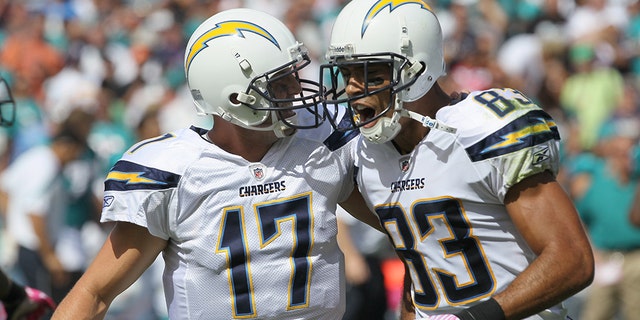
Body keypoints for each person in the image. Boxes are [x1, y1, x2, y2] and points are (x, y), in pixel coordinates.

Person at [52, 8, 378, 319]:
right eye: (278, 84)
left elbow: (404, 229)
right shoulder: (174, 173)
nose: (296, 90)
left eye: (292, 75)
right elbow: (94, 294)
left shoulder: (322, 141)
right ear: (235, 99)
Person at [320, 0, 594, 319]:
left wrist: (475, 318)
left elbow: (572, 260)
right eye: (347, 72)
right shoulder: (366, 155)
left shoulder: (481, 130)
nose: (352, 87)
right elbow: (423, 261)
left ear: (415, 70)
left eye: (370, 72)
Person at [569, 118, 640, 320]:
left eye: (629, 150)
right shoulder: (593, 179)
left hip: (636, 258)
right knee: (595, 314)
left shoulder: (637, 180)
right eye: (619, 150)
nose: (625, 156)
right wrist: (594, 253)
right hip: (605, 259)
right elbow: (579, 221)